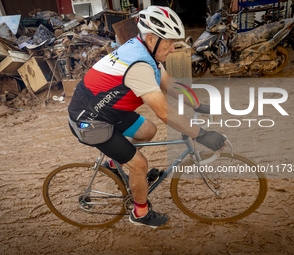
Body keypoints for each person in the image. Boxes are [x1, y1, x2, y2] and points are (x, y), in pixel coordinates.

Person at [68, 5, 227, 229]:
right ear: (152, 38)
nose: (173, 49)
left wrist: (198, 105)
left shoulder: (144, 50)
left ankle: (115, 163)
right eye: (170, 42)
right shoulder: (139, 65)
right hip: (91, 120)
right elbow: (165, 112)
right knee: (140, 165)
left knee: (147, 131)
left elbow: (170, 84)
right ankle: (140, 213)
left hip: (107, 110)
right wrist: (202, 135)